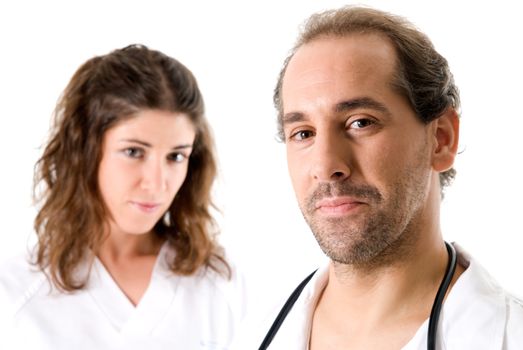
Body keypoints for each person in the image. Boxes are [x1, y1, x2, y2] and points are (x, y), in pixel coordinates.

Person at [234, 6, 523, 350]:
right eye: (303, 133)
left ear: (441, 139)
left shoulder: (509, 336)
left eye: (361, 122)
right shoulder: (253, 334)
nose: (326, 166)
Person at [0, 44, 245, 349]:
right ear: (86, 151)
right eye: (133, 152)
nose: (156, 183)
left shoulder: (221, 283)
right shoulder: (14, 295)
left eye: (176, 157)